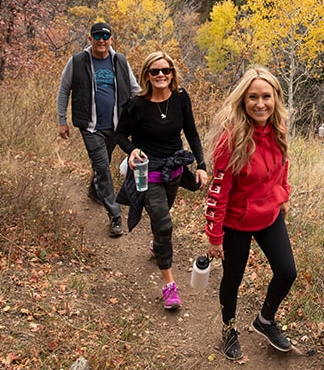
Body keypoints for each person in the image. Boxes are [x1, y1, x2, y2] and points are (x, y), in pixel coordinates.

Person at [204, 66, 297, 360]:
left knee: (287, 272)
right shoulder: (231, 140)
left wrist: (283, 193)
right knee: (233, 279)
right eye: (253, 97)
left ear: (275, 98)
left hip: (269, 215)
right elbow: (218, 191)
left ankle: (264, 320)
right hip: (236, 222)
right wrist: (214, 236)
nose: (260, 104)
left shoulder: (278, 127)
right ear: (243, 100)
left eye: (266, 96)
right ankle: (229, 328)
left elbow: (282, 165)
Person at [115, 51, 209, 310]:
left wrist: (201, 166)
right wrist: (131, 150)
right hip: (148, 172)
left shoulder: (180, 98)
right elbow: (120, 134)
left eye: (165, 70)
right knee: (164, 223)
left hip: (174, 170)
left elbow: (191, 132)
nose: (160, 75)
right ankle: (169, 286)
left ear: (172, 73)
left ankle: (158, 244)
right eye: (154, 71)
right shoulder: (137, 104)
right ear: (146, 74)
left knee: (162, 214)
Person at [57, 21, 139, 238]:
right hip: (90, 126)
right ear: (90, 38)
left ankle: (95, 191)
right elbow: (64, 90)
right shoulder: (77, 61)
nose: (101, 40)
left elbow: (134, 90)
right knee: (102, 166)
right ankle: (115, 216)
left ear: (111, 39)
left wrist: (146, 114)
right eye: (97, 36)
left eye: (105, 36)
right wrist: (61, 120)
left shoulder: (119, 61)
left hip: (115, 126)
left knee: (103, 164)